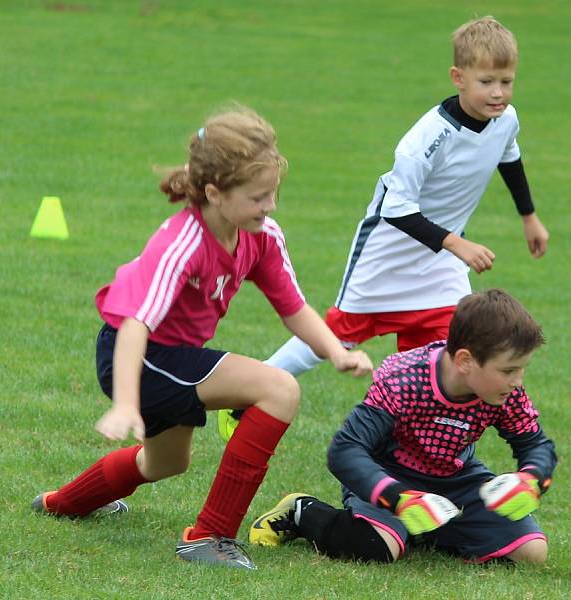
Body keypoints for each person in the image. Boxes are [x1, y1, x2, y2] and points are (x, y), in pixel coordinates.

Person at [30, 106, 372, 571]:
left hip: (171, 359)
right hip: (137, 355)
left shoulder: (262, 235)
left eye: (272, 193)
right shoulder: (182, 242)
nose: (269, 206)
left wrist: (335, 352)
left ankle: (59, 504)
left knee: (165, 464)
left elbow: (292, 307)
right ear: (214, 193)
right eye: (257, 197)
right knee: (278, 388)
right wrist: (126, 403)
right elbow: (135, 325)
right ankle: (208, 537)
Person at [218, 15, 550, 439]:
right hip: (391, 246)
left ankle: (409, 441)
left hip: (443, 257)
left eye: (507, 81)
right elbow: (396, 209)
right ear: (458, 77)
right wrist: (456, 245)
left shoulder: (506, 119)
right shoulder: (428, 137)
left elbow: (509, 156)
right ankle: (247, 394)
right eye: (487, 81)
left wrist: (529, 217)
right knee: (340, 335)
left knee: (448, 344)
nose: (498, 93)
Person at [249, 289, 557, 565]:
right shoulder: (404, 379)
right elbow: (346, 450)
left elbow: (535, 445)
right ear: (465, 360)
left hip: (455, 479)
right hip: (390, 476)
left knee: (531, 553)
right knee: (375, 548)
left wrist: (531, 477)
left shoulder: (507, 392)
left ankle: (427, 527)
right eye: (508, 370)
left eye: (521, 369)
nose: (517, 381)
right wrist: (397, 497)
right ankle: (303, 511)